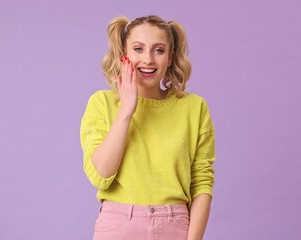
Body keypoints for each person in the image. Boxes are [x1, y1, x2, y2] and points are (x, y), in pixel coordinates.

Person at [80, 15, 216, 240]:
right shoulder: (101, 103)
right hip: (119, 226)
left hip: (176, 226)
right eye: (138, 49)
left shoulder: (194, 108)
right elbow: (101, 175)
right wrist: (126, 110)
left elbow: (202, 183)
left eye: (159, 50)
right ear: (125, 53)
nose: (148, 59)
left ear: (170, 57)